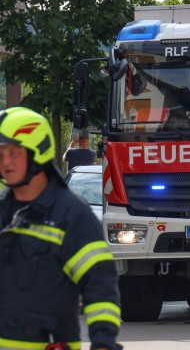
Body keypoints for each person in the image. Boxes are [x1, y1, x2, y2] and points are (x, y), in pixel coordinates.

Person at [0, 107, 122, 350]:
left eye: (14, 153)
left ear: (38, 152)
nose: (5, 162)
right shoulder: (3, 211)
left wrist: (103, 342)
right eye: (0, 154)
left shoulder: (71, 215)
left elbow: (99, 284)